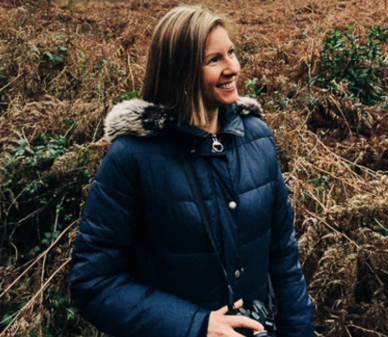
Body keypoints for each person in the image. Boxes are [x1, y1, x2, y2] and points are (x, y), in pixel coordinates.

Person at [69, 5, 314, 337]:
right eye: (214, 60)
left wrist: (299, 332)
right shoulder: (132, 158)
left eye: (231, 52)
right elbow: (93, 282)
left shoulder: (257, 138)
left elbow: (283, 255)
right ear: (179, 73)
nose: (233, 68)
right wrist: (195, 326)